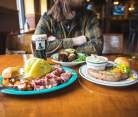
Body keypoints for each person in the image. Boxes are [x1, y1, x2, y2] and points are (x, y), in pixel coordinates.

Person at [34, 0, 103, 55]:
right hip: (54, 68)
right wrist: (74, 41)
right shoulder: (47, 18)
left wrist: (58, 48)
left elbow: (97, 46)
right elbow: (37, 47)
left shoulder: (90, 16)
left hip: (82, 67)